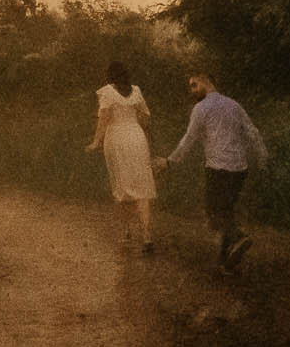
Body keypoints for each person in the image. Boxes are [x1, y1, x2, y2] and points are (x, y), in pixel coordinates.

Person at [155, 70, 268, 272]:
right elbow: (253, 132)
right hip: (239, 169)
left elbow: (189, 139)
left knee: (214, 213)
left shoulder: (201, 108)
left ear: (206, 82)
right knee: (226, 212)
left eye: (194, 85)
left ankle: (239, 237)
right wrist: (262, 159)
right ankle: (226, 262)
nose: (192, 90)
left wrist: (169, 161)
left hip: (218, 169)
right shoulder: (234, 105)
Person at [85, 59, 156, 252]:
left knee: (121, 185)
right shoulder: (136, 90)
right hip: (137, 137)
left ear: (110, 75)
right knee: (142, 187)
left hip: (116, 138)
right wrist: (135, 125)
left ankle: (126, 232)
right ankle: (147, 235)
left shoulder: (107, 92)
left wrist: (96, 142)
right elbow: (146, 117)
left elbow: (103, 119)